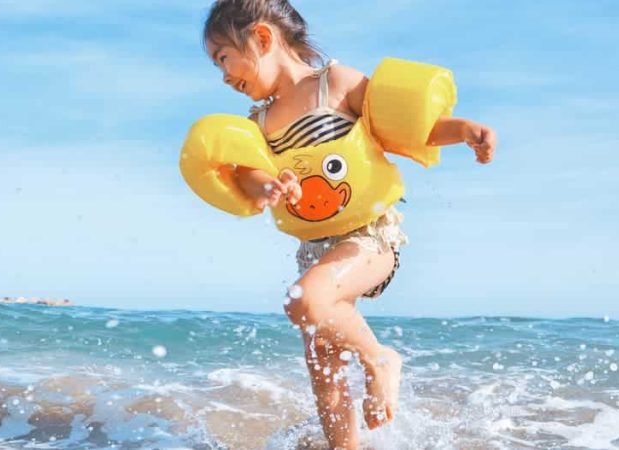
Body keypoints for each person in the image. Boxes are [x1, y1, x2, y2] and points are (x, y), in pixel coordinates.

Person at [202, 0, 496, 448]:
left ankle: (380, 360)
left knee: (304, 299)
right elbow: (249, 172)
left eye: (223, 57)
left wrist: (463, 130)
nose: (223, 75)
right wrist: (268, 187)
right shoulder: (257, 123)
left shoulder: (334, 85)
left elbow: (408, 125)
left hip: (370, 238)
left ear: (262, 38)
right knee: (323, 362)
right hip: (316, 248)